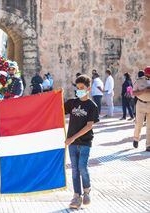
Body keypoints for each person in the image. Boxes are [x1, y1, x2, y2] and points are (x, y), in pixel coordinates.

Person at [64, 74, 99, 209]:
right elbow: (57, 109)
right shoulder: (72, 102)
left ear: (88, 89)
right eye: (77, 88)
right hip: (72, 143)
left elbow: (89, 125)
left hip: (84, 142)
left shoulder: (92, 106)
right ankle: (76, 195)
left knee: (82, 167)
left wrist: (73, 137)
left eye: (82, 88)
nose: (79, 90)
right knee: (74, 170)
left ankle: (86, 190)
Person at [132, 67, 150, 151]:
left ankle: (148, 145)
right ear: (145, 74)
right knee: (139, 124)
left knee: (149, 127)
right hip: (141, 104)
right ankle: (136, 139)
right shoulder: (139, 81)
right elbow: (133, 93)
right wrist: (143, 91)